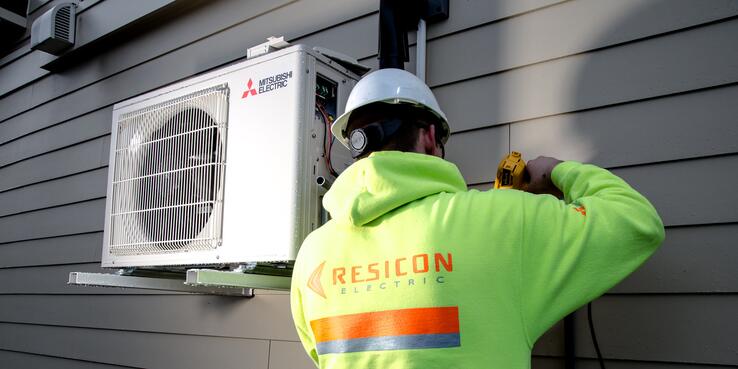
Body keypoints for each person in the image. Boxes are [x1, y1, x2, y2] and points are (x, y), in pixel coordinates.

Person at [290, 68, 664, 368]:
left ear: (356, 147)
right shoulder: (504, 223)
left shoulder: (312, 253)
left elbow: (319, 352)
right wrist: (557, 171)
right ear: (430, 137)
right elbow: (634, 219)